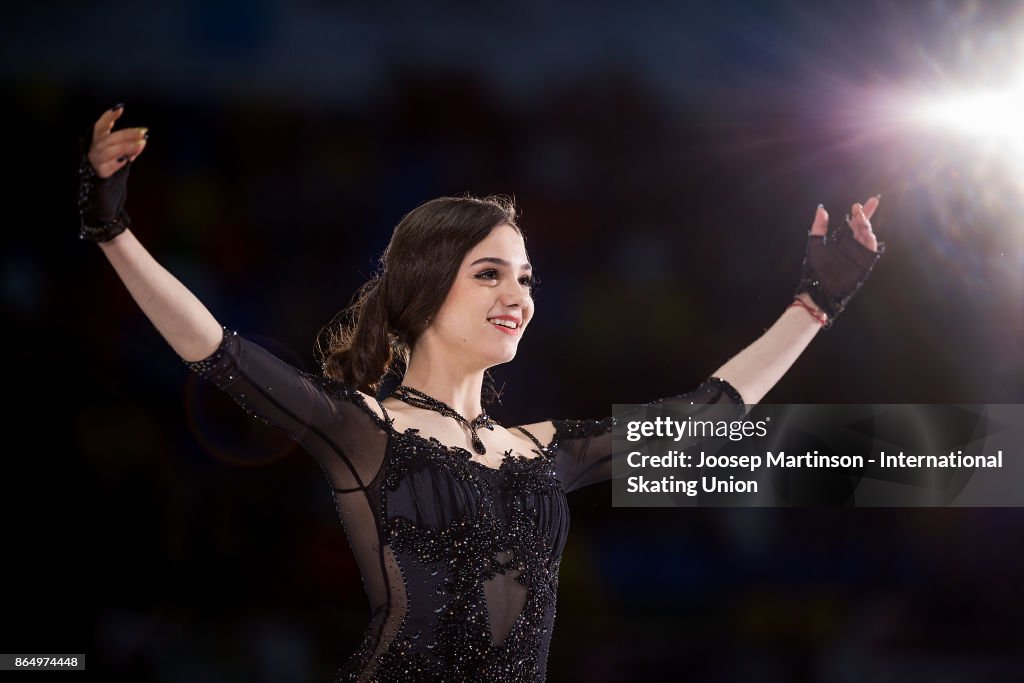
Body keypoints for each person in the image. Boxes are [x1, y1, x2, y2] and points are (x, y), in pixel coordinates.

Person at [77, 104, 884, 682]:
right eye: (490, 272)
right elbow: (215, 350)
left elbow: (703, 416)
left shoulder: (543, 448)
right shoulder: (365, 427)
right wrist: (111, 228)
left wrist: (815, 305)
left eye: (526, 277)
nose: (518, 294)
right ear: (428, 288)